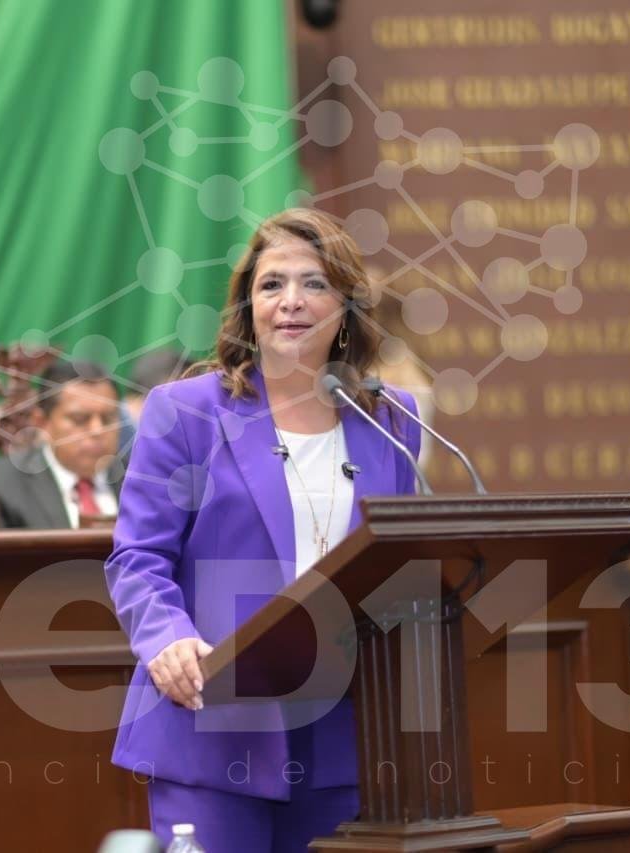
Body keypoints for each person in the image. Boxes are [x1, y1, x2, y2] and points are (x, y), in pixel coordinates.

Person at [105, 208, 422, 852]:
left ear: (348, 307)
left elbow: (401, 560)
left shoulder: (392, 418)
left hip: (345, 728)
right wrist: (167, 638)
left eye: (314, 283)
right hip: (214, 714)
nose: (290, 301)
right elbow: (137, 557)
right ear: (248, 308)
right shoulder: (185, 412)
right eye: (271, 284)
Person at [0, 359, 123, 529]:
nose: (98, 431)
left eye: (108, 419)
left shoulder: (143, 479)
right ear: (42, 422)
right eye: (80, 419)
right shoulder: (2, 485)